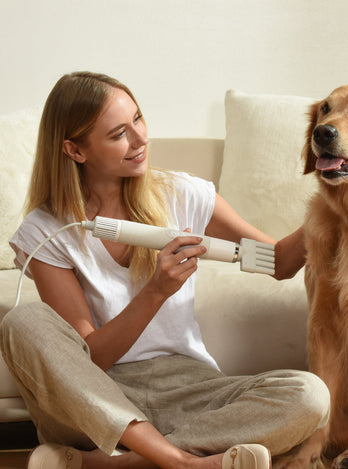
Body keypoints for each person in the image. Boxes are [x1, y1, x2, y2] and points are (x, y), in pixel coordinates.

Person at [0, 72, 330, 469]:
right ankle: (181, 462)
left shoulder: (184, 195)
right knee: (23, 319)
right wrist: (156, 291)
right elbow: (94, 359)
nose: (141, 139)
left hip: (187, 388)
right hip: (95, 399)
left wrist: (334, 198)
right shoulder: (47, 229)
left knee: (309, 395)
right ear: (75, 150)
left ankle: (108, 465)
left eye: (138, 119)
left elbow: (279, 263)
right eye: (119, 133)